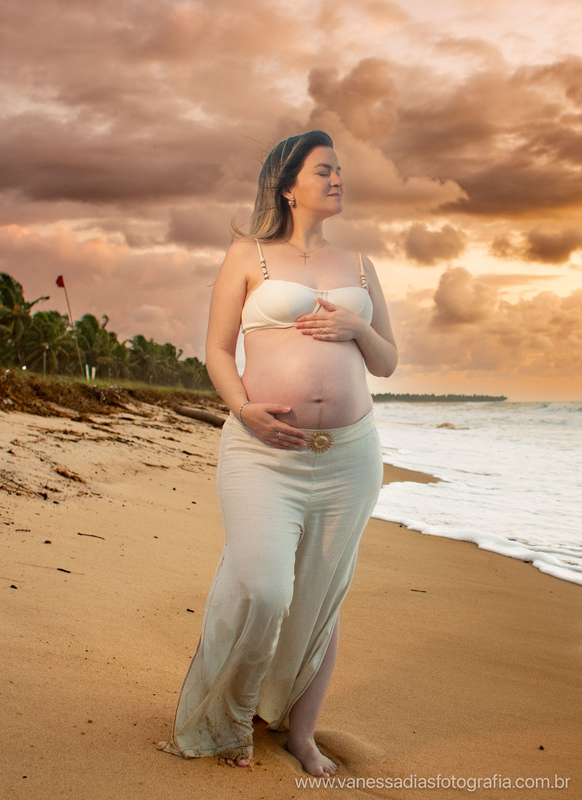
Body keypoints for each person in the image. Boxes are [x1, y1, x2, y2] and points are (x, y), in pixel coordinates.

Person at [158, 130, 397, 776]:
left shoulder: (361, 266)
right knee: (264, 586)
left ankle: (302, 733)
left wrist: (357, 327)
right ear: (289, 184)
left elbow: (388, 362)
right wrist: (243, 408)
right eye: (325, 170)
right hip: (263, 453)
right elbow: (216, 349)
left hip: (350, 457)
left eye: (341, 169)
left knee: (322, 597)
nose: (339, 178)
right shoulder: (247, 254)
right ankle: (230, 716)